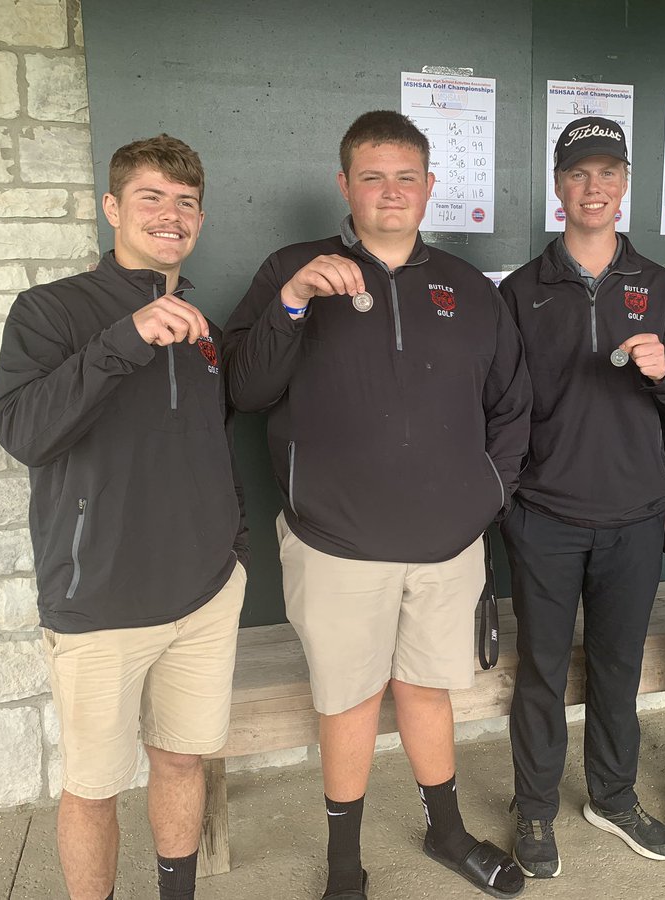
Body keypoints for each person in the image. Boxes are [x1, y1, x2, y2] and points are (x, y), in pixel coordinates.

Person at [223, 110, 531, 900]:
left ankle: (448, 831)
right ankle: (344, 866)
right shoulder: (294, 267)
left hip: (446, 544)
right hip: (335, 543)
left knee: (429, 691)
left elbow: (513, 405)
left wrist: (485, 496)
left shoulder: (468, 288)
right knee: (350, 701)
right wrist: (291, 301)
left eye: (405, 177)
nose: (389, 192)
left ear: (429, 188)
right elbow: (243, 387)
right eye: (371, 176)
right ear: (344, 185)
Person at [0, 134, 249, 900]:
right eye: (151, 197)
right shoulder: (52, 311)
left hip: (202, 596)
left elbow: (212, 446)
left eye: (186, 202)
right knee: (94, 788)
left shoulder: (204, 331)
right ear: (112, 207)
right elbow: (25, 432)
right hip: (98, 601)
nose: (171, 214)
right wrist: (122, 341)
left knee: (180, 761)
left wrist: (228, 548)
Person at [497, 117, 665, 877]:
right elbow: (500, 406)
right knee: (542, 673)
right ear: (559, 188)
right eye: (579, 175)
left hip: (635, 517)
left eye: (608, 173)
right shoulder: (522, 292)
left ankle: (613, 798)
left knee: (618, 668)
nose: (594, 188)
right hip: (545, 517)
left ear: (625, 185)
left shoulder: (660, 289)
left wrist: (664, 375)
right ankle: (533, 810)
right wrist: (508, 501)